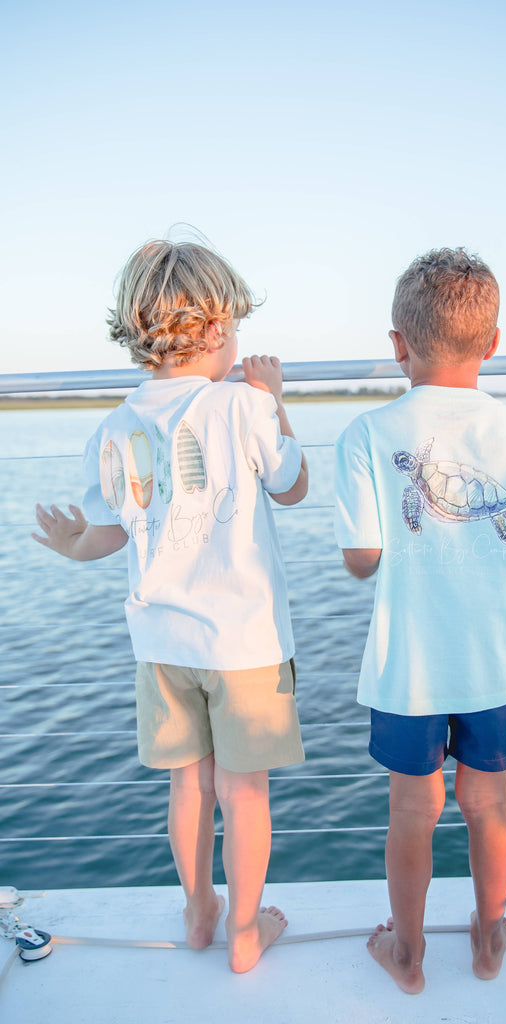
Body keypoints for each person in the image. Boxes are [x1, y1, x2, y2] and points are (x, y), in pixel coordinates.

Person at [32, 238, 308, 973]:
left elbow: (105, 536)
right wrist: (274, 399)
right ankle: (244, 931)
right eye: (236, 328)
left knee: (189, 785)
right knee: (243, 794)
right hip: (244, 643)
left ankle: (197, 911)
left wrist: (69, 544)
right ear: (215, 330)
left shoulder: (114, 426)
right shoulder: (244, 405)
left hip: (160, 645)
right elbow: (292, 487)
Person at [334, 247, 506, 993]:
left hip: (410, 663)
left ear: (398, 343)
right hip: (494, 654)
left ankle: (407, 954)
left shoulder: (368, 433)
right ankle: (490, 937)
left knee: (412, 810)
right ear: (491, 343)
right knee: (488, 803)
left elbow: (362, 558)